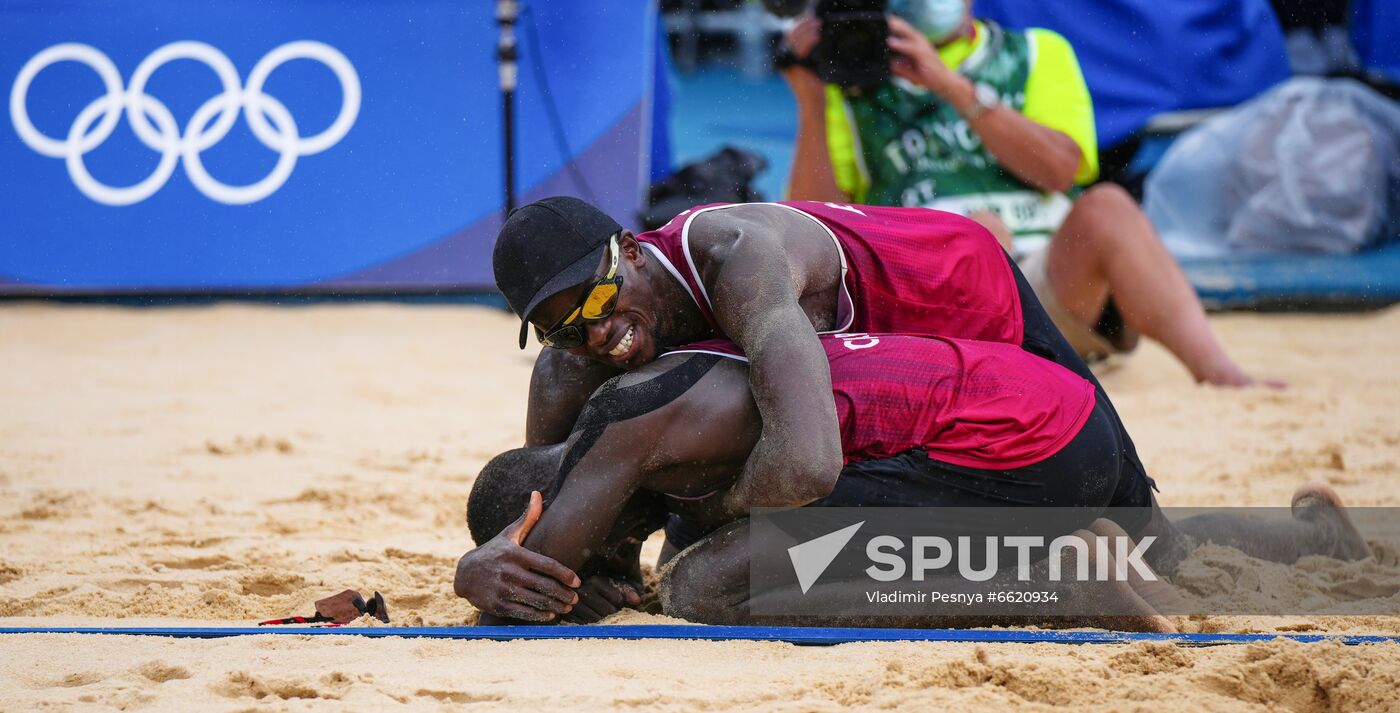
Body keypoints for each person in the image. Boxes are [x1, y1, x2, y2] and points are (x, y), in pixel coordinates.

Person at [454, 333, 1369, 627]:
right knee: (1159, 543)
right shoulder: (657, 391)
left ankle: (1052, 582)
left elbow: (574, 572)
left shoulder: (633, 438)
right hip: (1059, 404)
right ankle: (1306, 540)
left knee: (717, 584)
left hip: (1015, 445)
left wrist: (482, 578)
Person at [493, 196, 1149, 530]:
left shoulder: (735, 258)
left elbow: (808, 460)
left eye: (601, 297)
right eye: (564, 328)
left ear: (632, 251)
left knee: (1118, 490)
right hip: (885, 370)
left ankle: (1135, 532)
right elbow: (541, 505)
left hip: (956, 289)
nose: (598, 330)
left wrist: (706, 511)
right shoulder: (567, 363)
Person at [779, 1, 1275, 386]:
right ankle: (996, 357)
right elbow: (813, 216)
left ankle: (1220, 373)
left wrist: (953, 87)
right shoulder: (850, 84)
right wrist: (810, 97)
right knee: (970, 236)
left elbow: (1061, 169)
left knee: (1108, 206)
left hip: (1048, 276)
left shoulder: (1038, 51)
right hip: (930, 290)